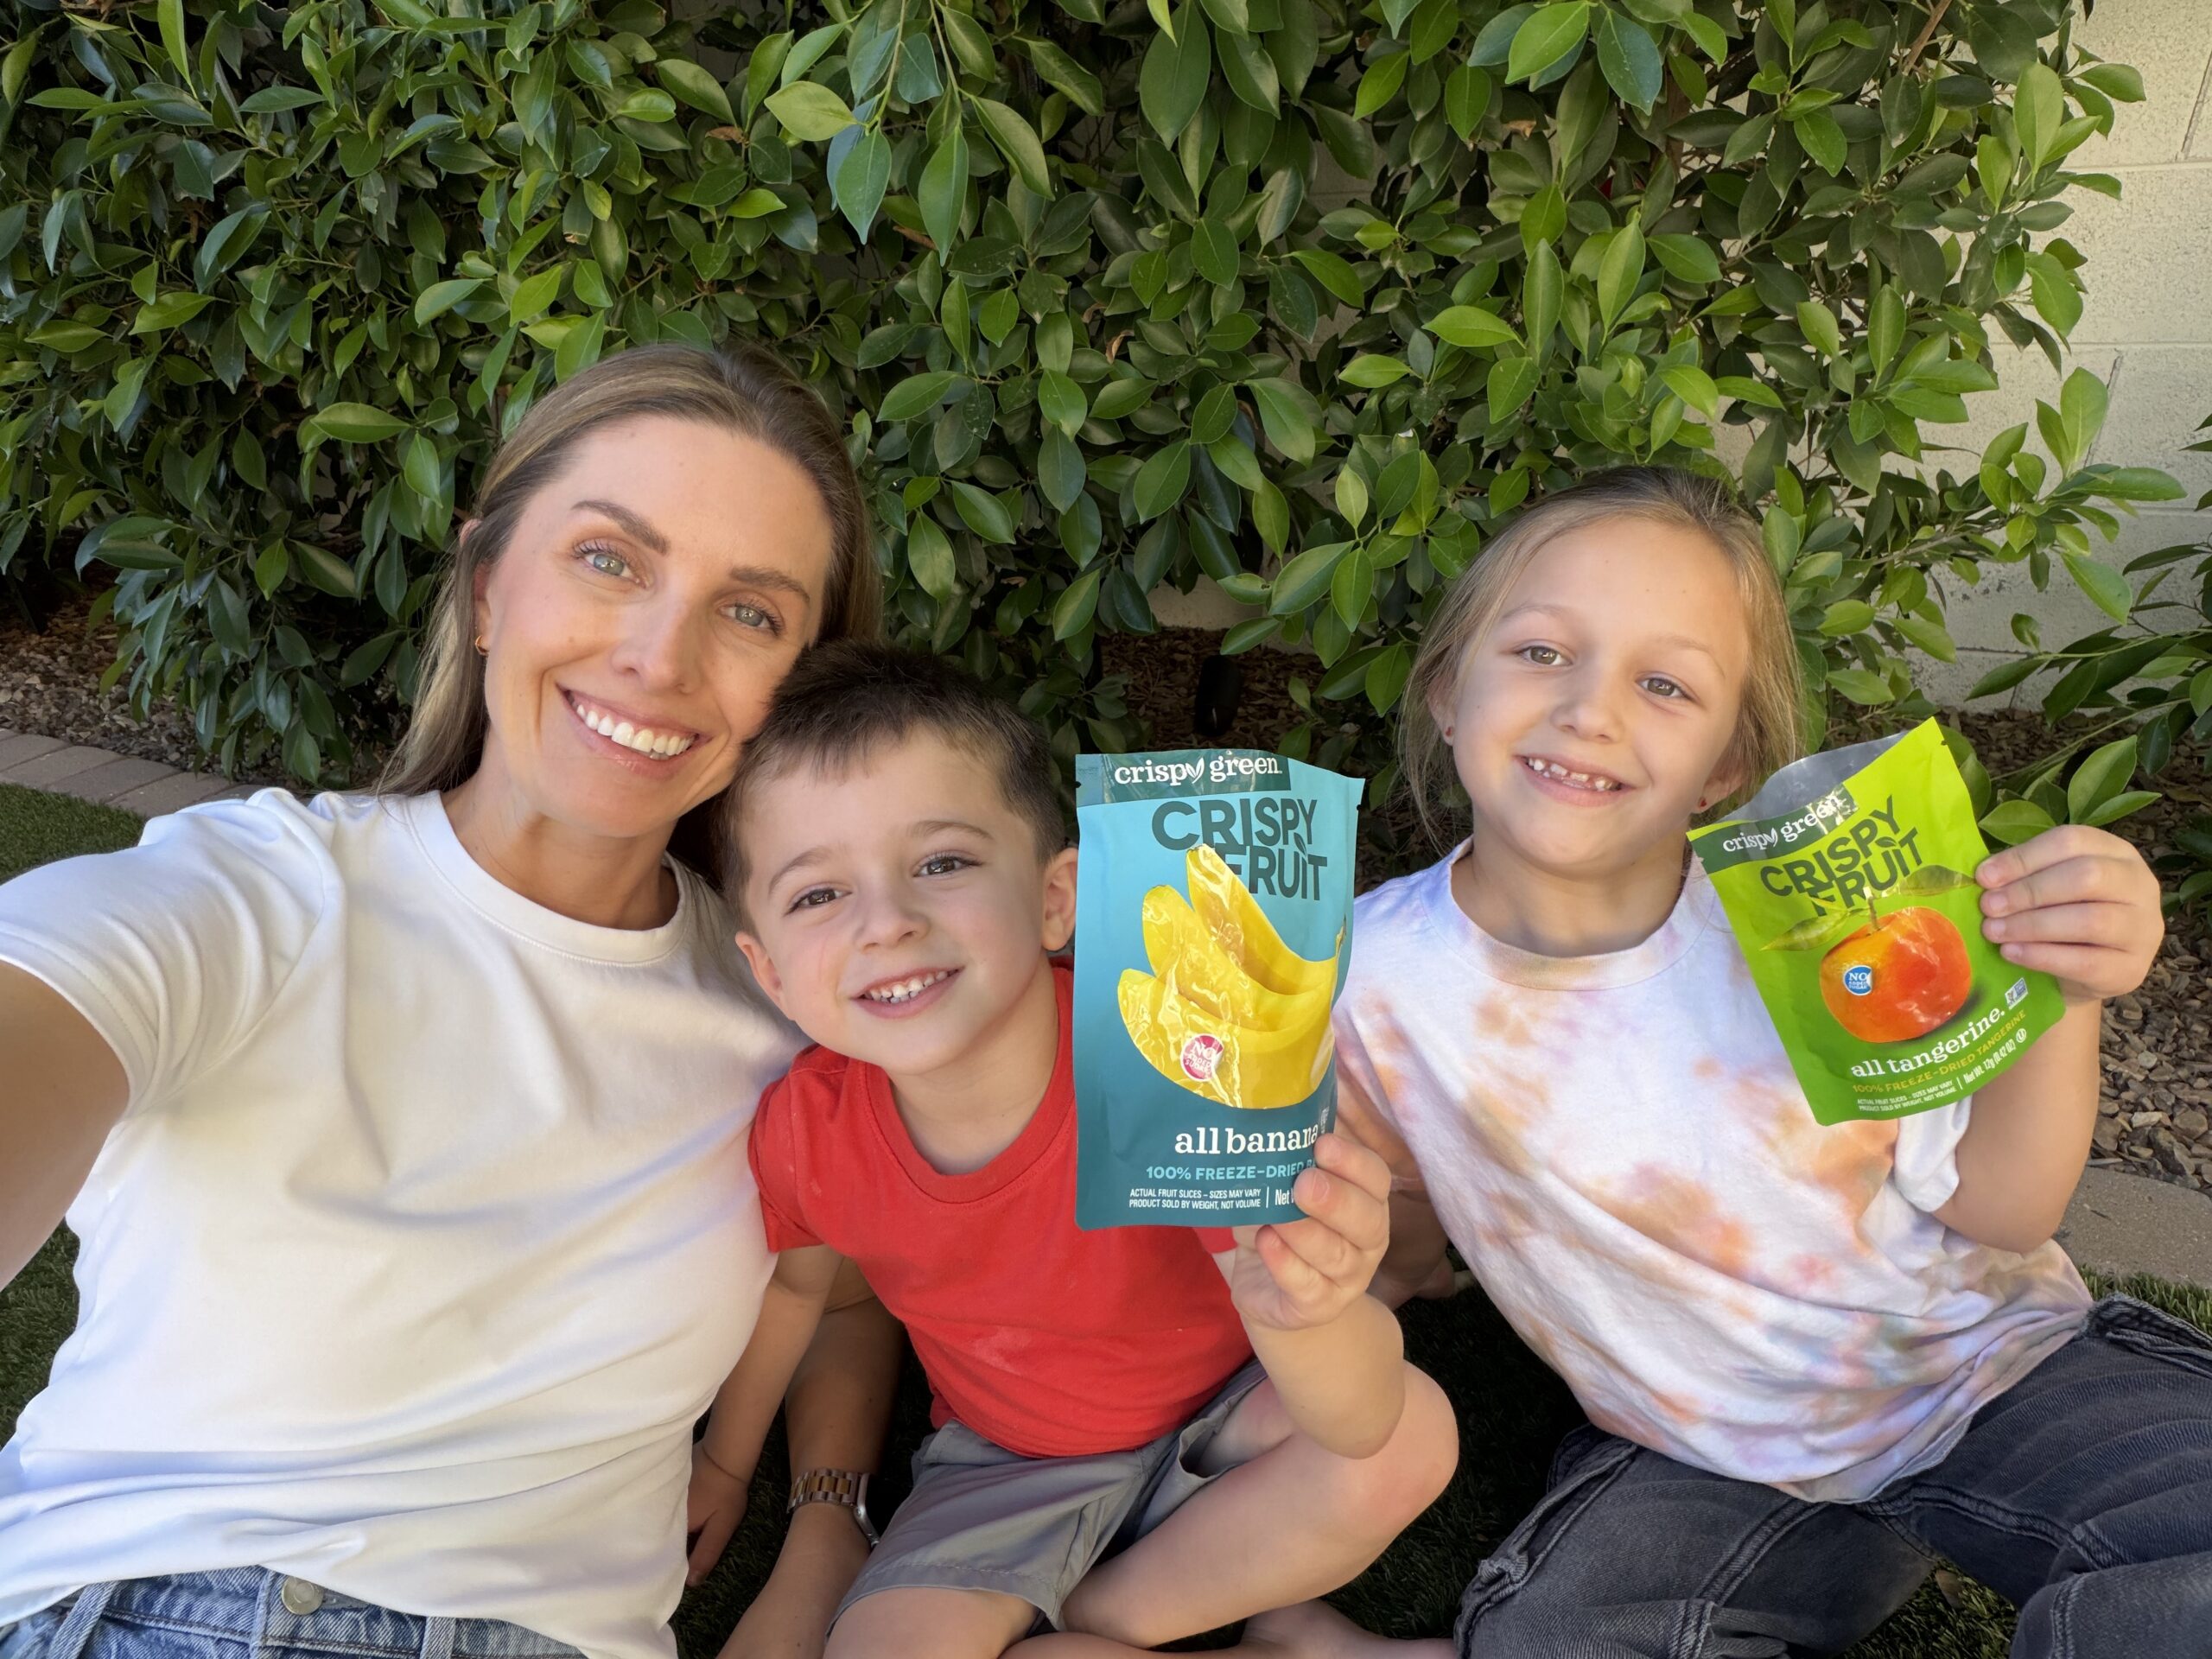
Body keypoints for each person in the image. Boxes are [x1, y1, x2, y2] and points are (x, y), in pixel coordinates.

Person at [0, 346, 901, 1659]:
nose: (659, 657)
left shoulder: (790, 1014)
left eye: (751, 613)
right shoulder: (255, 897)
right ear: (487, 587)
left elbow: (852, 1290)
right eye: (611, 560)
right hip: (167, 1612)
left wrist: (825, 1520)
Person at [1332, 465, 2212, 1657]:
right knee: (1553, 1638)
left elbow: (2004, 1209)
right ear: (1446, 690)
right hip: (1707, 1456)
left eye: (1664, 684)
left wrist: (2067, 994)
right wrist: (1336, 1262)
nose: (1591, 711)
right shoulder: (1366, 981)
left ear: (1727, 766)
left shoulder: (1821, 923)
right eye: (1541, 652)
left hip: (1996, 1372)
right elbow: (1399, 1229)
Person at [686, 644, 1459, 1659]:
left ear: (1059, 899)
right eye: (817, 896)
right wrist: (731, 1465)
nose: (889, 922)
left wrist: (1308, 1315)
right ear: (771, 974)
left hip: (1231, 1422)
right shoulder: (806, 1133)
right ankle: (1271, 1639)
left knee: (1408, 1437)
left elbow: (1356, 1422)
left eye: (942, 863)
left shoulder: (1175, 1065)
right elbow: (794, 1296)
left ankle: (1105, 1623)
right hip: (1002, 1466)